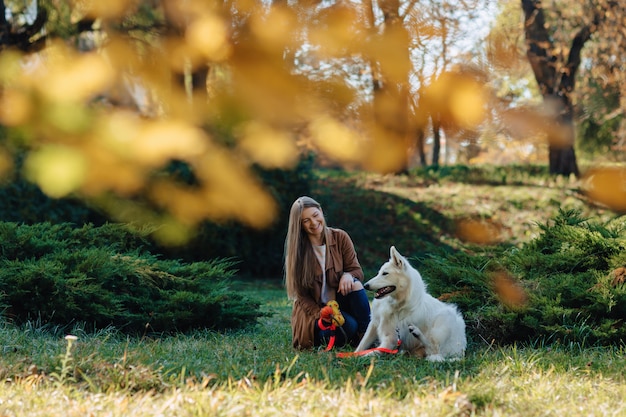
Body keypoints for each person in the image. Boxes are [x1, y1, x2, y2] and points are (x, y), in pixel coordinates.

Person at [284, 196, 371, 350]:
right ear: (299, 225)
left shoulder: (340, 237)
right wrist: (322, 314)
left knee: (356, 285)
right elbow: (302, 297)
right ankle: (350, 335)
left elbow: (357, 271)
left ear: (321, 212)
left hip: (340, 306)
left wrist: (348, 275)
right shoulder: (297, 253)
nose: (313, 223)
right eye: (306, 221)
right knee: (349, 326)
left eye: (315, 215)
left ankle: (368, 336)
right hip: (315, 316)